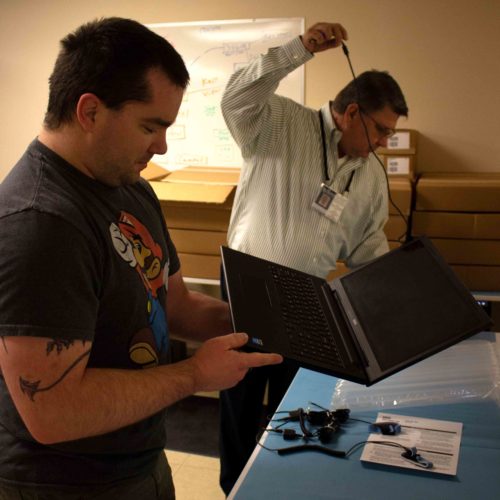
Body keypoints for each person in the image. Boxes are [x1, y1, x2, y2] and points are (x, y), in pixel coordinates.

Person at [0, 17, 282, 500]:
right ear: (89, 111)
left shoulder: (130, 189)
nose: (162, 146)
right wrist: (194, 375)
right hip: (64, 483)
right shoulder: (40, 223)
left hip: (140, 457)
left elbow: (175, 306)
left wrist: (279, 322)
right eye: (150, 126)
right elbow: (53, 412)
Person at [218, 21, 408, 494]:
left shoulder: (369, 178)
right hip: (248, 286)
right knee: (239, 400)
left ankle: (282, 486)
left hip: (307, 297)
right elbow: (234, 99)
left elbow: (367, 251)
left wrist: (396, 304)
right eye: (381, 130)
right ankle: (234, 489)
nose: (385, 142)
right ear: (350, 111)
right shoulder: (279, 123)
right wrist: (299, 49)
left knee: (294, 403)